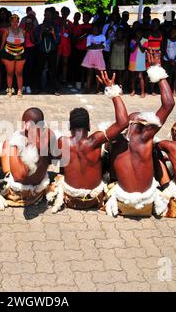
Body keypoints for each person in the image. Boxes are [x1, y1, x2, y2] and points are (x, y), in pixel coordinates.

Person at [105, 52, 175, 217]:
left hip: (123, 200)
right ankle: (165, 185)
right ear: (143, 125)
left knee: (105, 155)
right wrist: (157, 72)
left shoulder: (114, 139)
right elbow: (169, 103)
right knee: (155, 151)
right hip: (147, 200)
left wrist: (114, 93)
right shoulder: (145, 138)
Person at [47, 72, 129, 213]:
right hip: (94, 198)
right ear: (89, 126)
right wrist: (113, 92)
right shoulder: (95, 140)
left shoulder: (63, 142)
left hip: (71, 198)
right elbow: (123, 123)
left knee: (62, 163)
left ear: (69, 127)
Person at [0, 108, 57, 207]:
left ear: (25, 124)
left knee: (6, 144)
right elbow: (54, 159)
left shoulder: (18, 138)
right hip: (38, 189)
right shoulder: (50, 134)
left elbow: (18, 177)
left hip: (20, 192)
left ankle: (5, 174)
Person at [0, 14, 26, 98]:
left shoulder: (23, 31)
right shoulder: (6, 31)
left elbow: (24, 43)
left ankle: (19, 90)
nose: (14, 23)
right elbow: (3, 43)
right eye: (13, 21)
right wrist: (1, 54)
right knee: (10, 73)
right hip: (9, 53)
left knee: (19, 73)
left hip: (20, 53)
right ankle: (10, 89)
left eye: (16, 21)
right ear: (10, 22)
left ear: (18, 22)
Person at [36, 8, 60, 95]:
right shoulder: (39, 27)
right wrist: (41, 33)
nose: (47, 17)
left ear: (52, 16)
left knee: (53, 70)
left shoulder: (56, 27)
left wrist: (53, 33)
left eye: (49, 15)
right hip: (42, 51)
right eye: (46, 15)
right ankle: (39, 88)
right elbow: (38, 42)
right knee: (41, 70)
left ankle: (53, 89)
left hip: (52, 51)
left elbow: (57, 41)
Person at [81, 24, 106, 93]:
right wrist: (98, 45)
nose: (95, 31)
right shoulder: (89, 36)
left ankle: (97, 89)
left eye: (96, 30)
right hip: (90, 55)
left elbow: (103, 47)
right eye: (93, 30)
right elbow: (88, 47)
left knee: (97, 73)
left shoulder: (102, 36)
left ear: (99, 30)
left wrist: (93, 45)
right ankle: (87, 88)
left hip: (99, 56)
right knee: (89, 73)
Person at [71, 11, 92, 91]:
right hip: (79, 49)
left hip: (88, 50)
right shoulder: (78, 27)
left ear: (90, 18)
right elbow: (74, 39)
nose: (84, 18)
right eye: (84, 17)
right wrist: (83, 36)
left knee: (88, 68)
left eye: (86, 17)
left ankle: (86, 82)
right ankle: (78, 82)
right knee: (78, 67)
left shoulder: (92, 27)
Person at [128, 29, 148, 97]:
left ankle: (142, 92)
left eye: (140, 33)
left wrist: (139, 42)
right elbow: (132, 50)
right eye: (137, 33)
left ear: (142, 33)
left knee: (140, 76)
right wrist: (136, 43)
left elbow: (143, 50)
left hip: (141, 60)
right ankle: (133, 90)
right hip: (133, 59)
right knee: (133, 76)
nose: (138, 34)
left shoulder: (145, 40)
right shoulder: (132, 41)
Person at [20, 14, 37, 94]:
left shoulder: (34, 27)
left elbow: (33, 41)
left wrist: (30, 32)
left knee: (30, 68)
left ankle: (28, 85)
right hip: (23, 49)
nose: (28, 23)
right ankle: (23, 85)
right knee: (23, 68)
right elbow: (21, 41)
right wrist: (25, 32)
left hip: (31, 49)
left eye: (30, 22)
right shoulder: (22, 27)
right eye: (27, 21)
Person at [162, 26, 176, 93]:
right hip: (167, 60)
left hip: (174, 61)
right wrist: (170, 60)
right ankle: (165, 89)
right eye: (171, 32)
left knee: (172, 75)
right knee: (166, 75)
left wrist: (174, 59)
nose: (172, 33)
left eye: (174, 32)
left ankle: (169, 89)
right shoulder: (167, 40)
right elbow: (164, 50)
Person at [57, 6, 72, 86]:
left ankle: (64, 78)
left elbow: (72, 34)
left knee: (65, 63)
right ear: (61, 12)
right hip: (58, 44)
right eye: (63, 12)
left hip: (66, 44)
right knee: (56, 62)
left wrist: (67, 27)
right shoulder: (57, 21)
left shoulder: (69, 23)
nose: (65, 14)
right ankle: (55, 77)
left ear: (68, 13)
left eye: (66, 12)